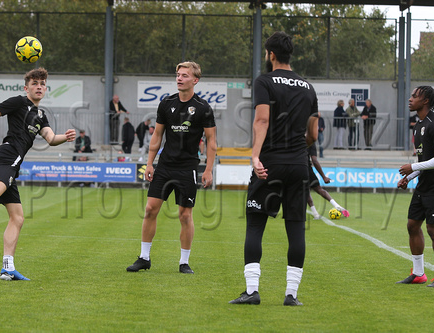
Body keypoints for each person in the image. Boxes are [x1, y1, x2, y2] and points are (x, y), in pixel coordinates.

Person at [0, 68, 76, 281]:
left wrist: (65, 137)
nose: (39, 86)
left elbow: (51, 138)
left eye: (42, 83)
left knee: (17, 217)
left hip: (13, 161)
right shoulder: (19, 102)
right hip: (9, 154)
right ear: (26, 87)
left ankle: (8, 268)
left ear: (46, 88)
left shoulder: (41, 115)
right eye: (35, 83)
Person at [229, 31, 318, 306]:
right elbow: (313, 134)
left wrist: (255, 157)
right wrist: (295, 149)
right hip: (298, 165)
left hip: (270, 164)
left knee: (256, 225)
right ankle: (291, 295)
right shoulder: (308, 87)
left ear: (271, 55)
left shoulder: (264, 81)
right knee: (296, 229)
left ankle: (252, 291)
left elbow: (262, 121)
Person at [126, 61, 216, 275]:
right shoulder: (166, 103)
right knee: (150, 210)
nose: (179, 78)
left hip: (188, 167)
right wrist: (149, 162)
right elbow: (157, 135)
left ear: (195, 80)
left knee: (185, 215)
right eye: (177, 74)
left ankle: (184, 262)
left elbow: (211, 140)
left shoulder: (203, 107)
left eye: (184, 75)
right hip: (165, 165)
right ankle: (144, 258)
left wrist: (208, 169)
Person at [397, 85, 434, 288]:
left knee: (433, 229)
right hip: (424, 182)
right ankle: (419, 273)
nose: (410, 99)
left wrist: (412, 166)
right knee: (412, 225)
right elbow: (425, 160)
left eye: (414, 96)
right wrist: (410, 177)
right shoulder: (418, 125)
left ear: (426, 101)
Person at [306, 143, 349, 220]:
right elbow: (314, 161)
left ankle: (315, 214)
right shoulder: (310, 142)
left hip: (296, 168)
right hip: (307, 168)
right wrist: (324, 177)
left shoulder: (295, 140)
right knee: (319, 189)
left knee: (306, 192)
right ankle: (336, 205)